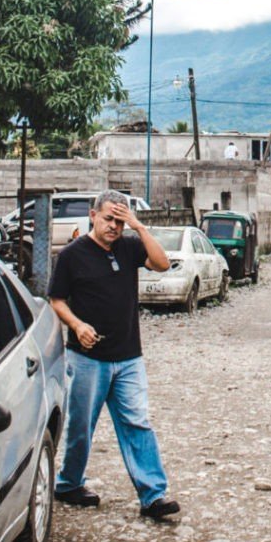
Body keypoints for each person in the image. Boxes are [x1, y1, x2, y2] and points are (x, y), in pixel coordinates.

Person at [48, 190, 180, 521]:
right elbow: (57, 300)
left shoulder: (129, 246)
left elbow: (162, 264)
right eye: (108, 219)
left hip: (128, 356)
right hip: (87, 358)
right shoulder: (72, 256)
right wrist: (77, 326)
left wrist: (140, 227)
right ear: (93, 215)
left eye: (119, 221)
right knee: (81, 426)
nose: (113, 227)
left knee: (137, 422)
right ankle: (68, 483)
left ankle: (154, 495)